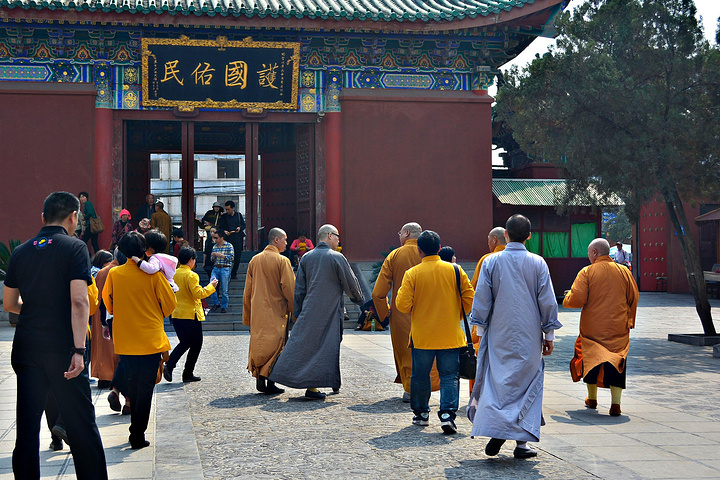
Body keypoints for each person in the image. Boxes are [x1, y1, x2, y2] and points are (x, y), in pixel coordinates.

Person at [2, 191, 108, 479]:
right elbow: (79, 301)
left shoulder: (21, 251)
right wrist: (79, 350)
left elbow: (9, 304)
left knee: (27, 427)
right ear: (74, 217)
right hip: (63, 347)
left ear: (43, 217)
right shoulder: (74, 248)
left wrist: (35, 308)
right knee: (81, 424)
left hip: (26, 348)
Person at [468, 214, 562, 459]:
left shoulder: (491, 261)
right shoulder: (538, 262)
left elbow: (482, 298)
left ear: (505, 234)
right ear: (529, 236)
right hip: (529, 334)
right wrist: (549, 334)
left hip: (499, 333)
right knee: (527, 383)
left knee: (498, 382)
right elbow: (547, 300)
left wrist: (480, 330)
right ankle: (521, 444)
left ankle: (498, 429)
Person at [269, 224, 364, 399]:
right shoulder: (337, 257)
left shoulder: (306, 257)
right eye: (337, 236)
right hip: (330, 311)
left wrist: (298, 311)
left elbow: (299, 288)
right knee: (330, 347)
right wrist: (359, 301)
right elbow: (350, 283)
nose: (338, 240)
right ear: (329, 236)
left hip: (309, 310)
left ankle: (325, 382)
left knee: (309, 347)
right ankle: (318, 386)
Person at [102, 231, 177, 449]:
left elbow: (108, 303)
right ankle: (137, 433)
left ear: (123, 252)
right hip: (150, 339)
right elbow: (170, 305)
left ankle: (135, 429)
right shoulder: (155, 275)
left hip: (126, 339)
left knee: (133, 383)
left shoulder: (115, 274)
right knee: (146, 387)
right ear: (145, 250)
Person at [396, 230, 474, 434]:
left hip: (422, 336)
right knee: (449, 376)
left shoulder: (412, 273)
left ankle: (421, 413)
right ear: (439, 248)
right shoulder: (455, 270)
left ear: (419, 251)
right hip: (450, 334)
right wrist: (457, 314)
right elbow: (469, 297)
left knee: (420, 376)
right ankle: (447, 415)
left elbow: (402, 305)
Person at [563, 238, 639, 417]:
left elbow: (577, 299)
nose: (588, 256)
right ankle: (615, 404)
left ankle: (592, 398)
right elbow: (633, 297)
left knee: (591, 359)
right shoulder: (624, 271)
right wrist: (629, 320)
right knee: (617, 361)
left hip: (593, 329)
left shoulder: (587, 272)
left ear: (595, 252)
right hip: (618, 328)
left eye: (589, 253)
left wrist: (568, 296)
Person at [372, 222, 439, 402]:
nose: (399, 235)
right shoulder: (432, 254)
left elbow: (378, 293)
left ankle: (410, 389)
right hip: (431, 311)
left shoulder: (395, 255)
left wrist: (384, 312)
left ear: (407, 233)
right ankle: (430, 384)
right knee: (430, 349)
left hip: (401, 312)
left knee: (406, 350)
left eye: (400, 232)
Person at [243, 228, 295, 395]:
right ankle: (270, 381)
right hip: (276, 311)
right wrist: (295, 311)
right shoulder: (282, 261)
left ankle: (260, 376)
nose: (287, 243)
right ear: (276, 240)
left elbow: (248, 291)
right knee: (276, 345)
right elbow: (290, 289)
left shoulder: (254, 260)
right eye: (285, 239)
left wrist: (248, 315)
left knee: (259, 343)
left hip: (258, 311)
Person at [164, 247, 217, 383]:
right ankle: (185, 372)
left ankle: (171, 365)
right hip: (190, 314)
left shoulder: (173, 274)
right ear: (191, 260)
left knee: (185, 342)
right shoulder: (191, 275)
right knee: (196, 343)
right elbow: (198, 293)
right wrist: (211, 286)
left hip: (176, 313)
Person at [468, 227, 506, 394]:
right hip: (510, 321)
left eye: (489, 240)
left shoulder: (487, 259)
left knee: (481, 356)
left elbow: (475, 290)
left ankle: (478, 394)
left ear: (495, 240)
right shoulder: (525, 259)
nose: (488, 244)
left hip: (487, 319)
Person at [90, 250, 119, 390]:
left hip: (98, 312)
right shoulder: (118, 271)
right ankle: (114, 375)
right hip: (113, 311)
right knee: (113, 344)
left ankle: (103, 375)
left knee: (101, 344)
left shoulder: (101, 272)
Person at [208, 229, 234, 313]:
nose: (215, 240)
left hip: (225, 268)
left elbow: (232, 258)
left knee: (224, 289)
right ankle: (216, 303)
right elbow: (211, 259)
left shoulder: (229, 246)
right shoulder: (214, 247)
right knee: (211, 285)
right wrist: (213, 256)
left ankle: (224, 306)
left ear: (221, 238)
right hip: (216, 267)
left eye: (216, 238)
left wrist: (222, 255)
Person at [219, 200, 245, 279]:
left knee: (237, 257)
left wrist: (239, 228)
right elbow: (220, 227)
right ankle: (226, 273)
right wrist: (224, 231)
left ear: (233, 208)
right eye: (226, 209)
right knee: (227, 256)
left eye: (228, 209)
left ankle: (234, 273)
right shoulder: (224, 217)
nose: (227, 211)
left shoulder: (238, 215)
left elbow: (243, 225)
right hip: (228, 238)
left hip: (237, 238)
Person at [79, 191, 100, 255]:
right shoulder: (87, 204)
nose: (81, 198)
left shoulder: (88, 203)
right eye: (80, 197)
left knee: (84, 240)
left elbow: (90, 212)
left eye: (83, 197)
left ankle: (82, 254)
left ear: (86, 198)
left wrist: (84, 218)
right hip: (92, 226)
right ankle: (99, 256)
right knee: (94, 242)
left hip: (91, 226)